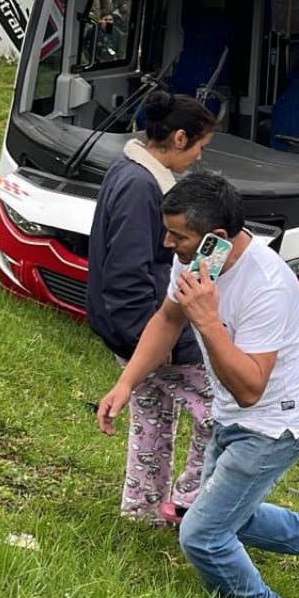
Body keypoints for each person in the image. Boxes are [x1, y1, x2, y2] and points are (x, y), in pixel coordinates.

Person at [95, 171, 299, 598]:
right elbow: (167, 319)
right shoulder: (195, 262)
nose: (167, 244)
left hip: (273, 426)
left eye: (177, 235)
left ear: (216, 238)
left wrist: (209, 320)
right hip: (229, 416)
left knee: (202, 534)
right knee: (225, 515)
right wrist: (126, 384)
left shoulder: (269, 286)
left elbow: (250, 389)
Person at [87, 92, 218, 527]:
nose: (199, 158)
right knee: (218, 412)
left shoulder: (128, 169)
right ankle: (190, 503)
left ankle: (143, 510)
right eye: (199, 148)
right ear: (179, 138)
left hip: (124, 327)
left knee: (153, 415)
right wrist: (152, 338)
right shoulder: (144, 188)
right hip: (142, 327)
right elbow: (127, 273)